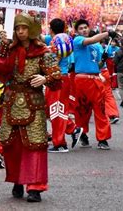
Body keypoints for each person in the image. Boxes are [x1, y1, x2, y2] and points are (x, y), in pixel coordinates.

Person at [0, 13, 61, 203]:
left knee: (35, 144)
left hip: (34, 102)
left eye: (23, 27)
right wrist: (4, 47)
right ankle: (17, 179)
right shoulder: (10, 49)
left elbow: (57, 78)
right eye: (17, 28)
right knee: (12, 145)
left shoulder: (44, 52)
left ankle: (35, 186)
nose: (20, 31)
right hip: (12, 100)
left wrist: (45, 79)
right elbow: (1, 70)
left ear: (31, 29)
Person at [72, 19, 111, 150]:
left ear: (89, 28)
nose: (84, 30)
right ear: (77, 31)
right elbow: (91, 40)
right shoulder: (77, 41)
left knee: (100, 109)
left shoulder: (97, 47)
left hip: (95, 80)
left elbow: (98, 65)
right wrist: (107, 33)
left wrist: (104, 60)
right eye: (81, 28)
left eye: (85, 28)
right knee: (82, 110)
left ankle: (103, 139)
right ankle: (82, 133)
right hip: (82, 80)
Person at [44, 18, 79, 153]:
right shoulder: (66, 39)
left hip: (57, 78)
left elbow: (53, 60)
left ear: (50, 29)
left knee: (56, 110)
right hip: (61, 77)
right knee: (49, 108)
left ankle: (60, 143)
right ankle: (72, 129)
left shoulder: (56, 42)